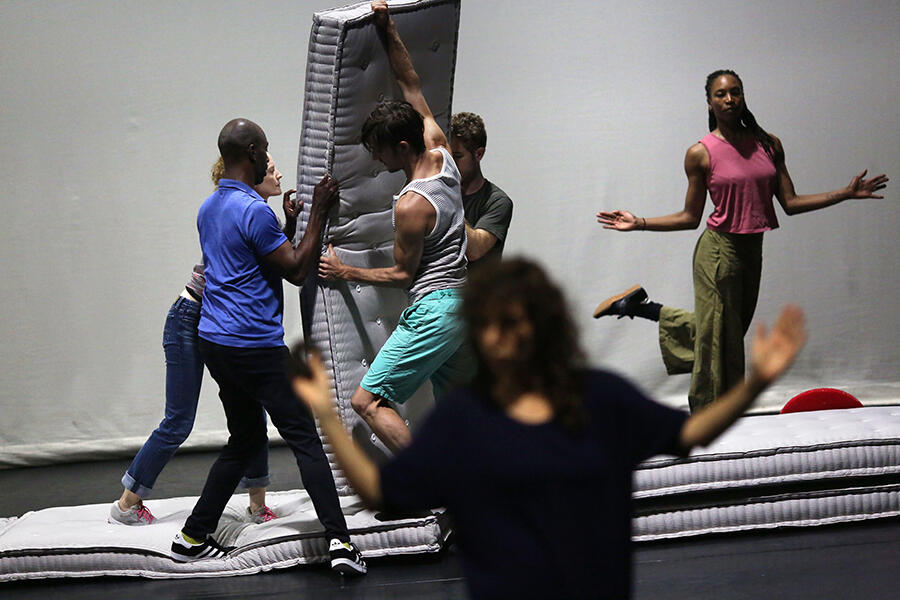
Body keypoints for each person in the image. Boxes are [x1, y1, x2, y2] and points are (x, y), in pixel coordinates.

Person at [291, 258, 808, 599]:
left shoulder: (600, 397)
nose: (503, 336)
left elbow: (692, 433)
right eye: (491, 324)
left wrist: (757, 381)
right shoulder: (465, 420)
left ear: (543, 325)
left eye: (517, 322)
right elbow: (381, 488)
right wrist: (327, 414)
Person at [596, 69, 888, 412]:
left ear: (743, 96)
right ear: (709, 102)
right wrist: (639, 223)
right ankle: (709, 422)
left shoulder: (768, 144)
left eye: (736, 92)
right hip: (717, 252)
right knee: (716, 342)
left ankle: (642, 309)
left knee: (724, 337)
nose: (730, 99)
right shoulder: (700, 153)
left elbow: (790, 204)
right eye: (721, 94)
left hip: (752, 251)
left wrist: (845, 193)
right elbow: (690, 217)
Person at [169, 118, 366, 576]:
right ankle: (340, 541)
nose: (268, 158)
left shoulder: (209, 207)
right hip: (254, 346)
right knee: (305, 439)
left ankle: (192, 536)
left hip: (216, 342)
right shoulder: (254, 210)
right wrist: (318, 210)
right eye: (267, 150)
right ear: (254, 153)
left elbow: (256, 261)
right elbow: (297, 270)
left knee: (245, 439)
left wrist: (293, 220)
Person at [109, 153, 298, 527]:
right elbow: (281, 263)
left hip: (215, 321)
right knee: (179, 421)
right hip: (189, 317)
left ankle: (258, 506)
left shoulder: (258, 215)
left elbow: (274, 256)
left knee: (252, 412)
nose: (276, 173)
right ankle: (126, 505)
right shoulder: (239, 211)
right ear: (250, 176)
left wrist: (289, 223)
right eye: (270, 168)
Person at [318, 1, 472, 452]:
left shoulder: (410, 205)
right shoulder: (440, 150)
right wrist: (386, 27)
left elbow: (403, 275)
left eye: (380, 151)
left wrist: (346, 272)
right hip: (463, 305)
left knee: (367, 401)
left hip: (436, 309)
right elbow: (411, 82)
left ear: (401, 146)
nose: (376, 160)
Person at [449, 112, 513, 271]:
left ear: (479, 154)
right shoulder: (440, 194)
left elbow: (475, 250)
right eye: (447, 156)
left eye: (457, 156)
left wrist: (446, 199)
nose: (450, 163)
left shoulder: (497, 201)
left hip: (477, 294)